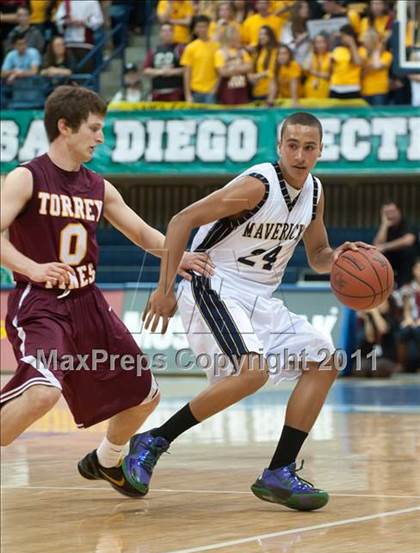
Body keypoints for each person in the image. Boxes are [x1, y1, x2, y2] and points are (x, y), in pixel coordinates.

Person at [122, 112, 372, 510]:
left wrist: (339, 255)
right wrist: (164, 289)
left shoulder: (315, 193)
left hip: (260, 297)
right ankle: (154, 440)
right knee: (252, 372)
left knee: (325, 360)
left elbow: (319, 255)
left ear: (321, 151)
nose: (300, 154)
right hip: (214, 282)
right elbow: (181, 219)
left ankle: (279, 471)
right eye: (292, 145)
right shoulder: (258, 186)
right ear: (279, 147)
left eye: (309, 147)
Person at [0, 86, 213, 500]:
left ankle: (107, 460)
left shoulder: (99, 186)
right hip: (41, 303)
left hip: (89, 303)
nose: (101, 137)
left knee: (144, 395)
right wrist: (32, 267)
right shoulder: (27, 176)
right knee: (42, 392)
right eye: (95, 129)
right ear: (65, 127)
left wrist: (179, 257)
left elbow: (140, 232)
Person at [373, 202, 418, 288]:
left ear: (399, 211)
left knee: (407, 251)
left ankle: (405, 286)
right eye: (386, 212)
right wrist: (384, 225)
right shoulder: (386, 226)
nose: (390, 215)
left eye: (392, 211)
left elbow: (408, 240)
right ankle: (382, 286)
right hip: (392, 260)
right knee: (378, 256)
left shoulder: (408, 223)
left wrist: (385, 247)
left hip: (409, 261)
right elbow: (377, 246)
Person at [180, 15, 219, 104]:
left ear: (208, 27)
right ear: (195, 29)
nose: (202, 29)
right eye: (199, 27)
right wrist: (187, 94)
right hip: (195, 91)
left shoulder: (216, 46)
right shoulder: (190, 48)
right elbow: (187, 72)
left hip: (211, 91)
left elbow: (219, 71)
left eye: (204, 26)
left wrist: (215, 89)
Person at [143, 23, 184, 102]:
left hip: (176, 92)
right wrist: (161, 72)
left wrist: (173, 72)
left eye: (169, 31)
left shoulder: (180, 49)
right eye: (164, 31)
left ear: (173, 33)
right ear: (160, 33)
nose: (167, 33)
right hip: (157, 92)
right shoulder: (154, 50)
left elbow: (187, 69)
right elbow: (146, 70)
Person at [215, 25, 252, 105]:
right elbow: (222, 72)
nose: (238, 39)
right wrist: (241, 68)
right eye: (235, 38)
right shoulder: (220, 53)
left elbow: (249, 67)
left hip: (242, 89)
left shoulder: (242, 52)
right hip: (227, 90)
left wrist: (232, 69)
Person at [329, 25, 365, 99]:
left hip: (352, 88)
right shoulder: (337, 49)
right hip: (335, 88)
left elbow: (358, 63)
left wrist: (352, 43)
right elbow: (331, 68)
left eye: (343, 36)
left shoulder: (361, 50)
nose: (341, 38)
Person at [397, 259, 420, 372]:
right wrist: (408, 318)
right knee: (404, 330)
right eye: (418, 269)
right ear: (413, 270)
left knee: (417, 330)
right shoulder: (408, 288)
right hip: (412, 320)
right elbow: (406, 308)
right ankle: (401, 364)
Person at [360, 29, 392, 105]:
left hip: (380, 91)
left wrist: (376, 50)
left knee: (378, 115)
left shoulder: (387, 55)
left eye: (367, 41)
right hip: (365, 91)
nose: (364, 43)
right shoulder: (362, 52)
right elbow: (361, 73)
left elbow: (376, 66)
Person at [248, 25, 278, 101]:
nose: (261, 36)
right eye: (260, 34)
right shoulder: (257, 52)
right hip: (256, 91)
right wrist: (250, 77)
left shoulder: (275, 51)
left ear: (270, 36)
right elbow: (251, 69)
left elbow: (272, 70)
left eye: (264, 34)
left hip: (270, 92)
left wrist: (257, 76)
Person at [303, 33, 331, 99]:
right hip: (310, 90)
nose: (320, 45)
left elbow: (329, 75)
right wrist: (311, 51)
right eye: (317, 42)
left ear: (327, 43)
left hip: (326, 90)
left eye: (323, 42)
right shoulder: (311, 56)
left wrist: (314, 72)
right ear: (314, 44)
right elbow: (305, 68)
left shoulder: (331, 56)